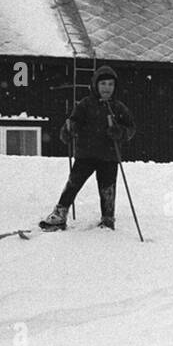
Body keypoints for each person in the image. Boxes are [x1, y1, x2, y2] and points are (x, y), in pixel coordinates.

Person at [40, 65, 136, 230]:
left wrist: (119, 132)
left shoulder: (119, 108)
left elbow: (131, 129)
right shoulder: (86, 104)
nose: (107, 88)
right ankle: (60, 213)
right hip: (86, 154)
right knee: (73, 183)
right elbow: (73, 121)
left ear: (115, 87)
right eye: (103, 84)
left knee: (108, 189)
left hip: (109, 156)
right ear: (95, 85)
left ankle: (108, 219)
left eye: (111, 84)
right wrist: (69, 130)